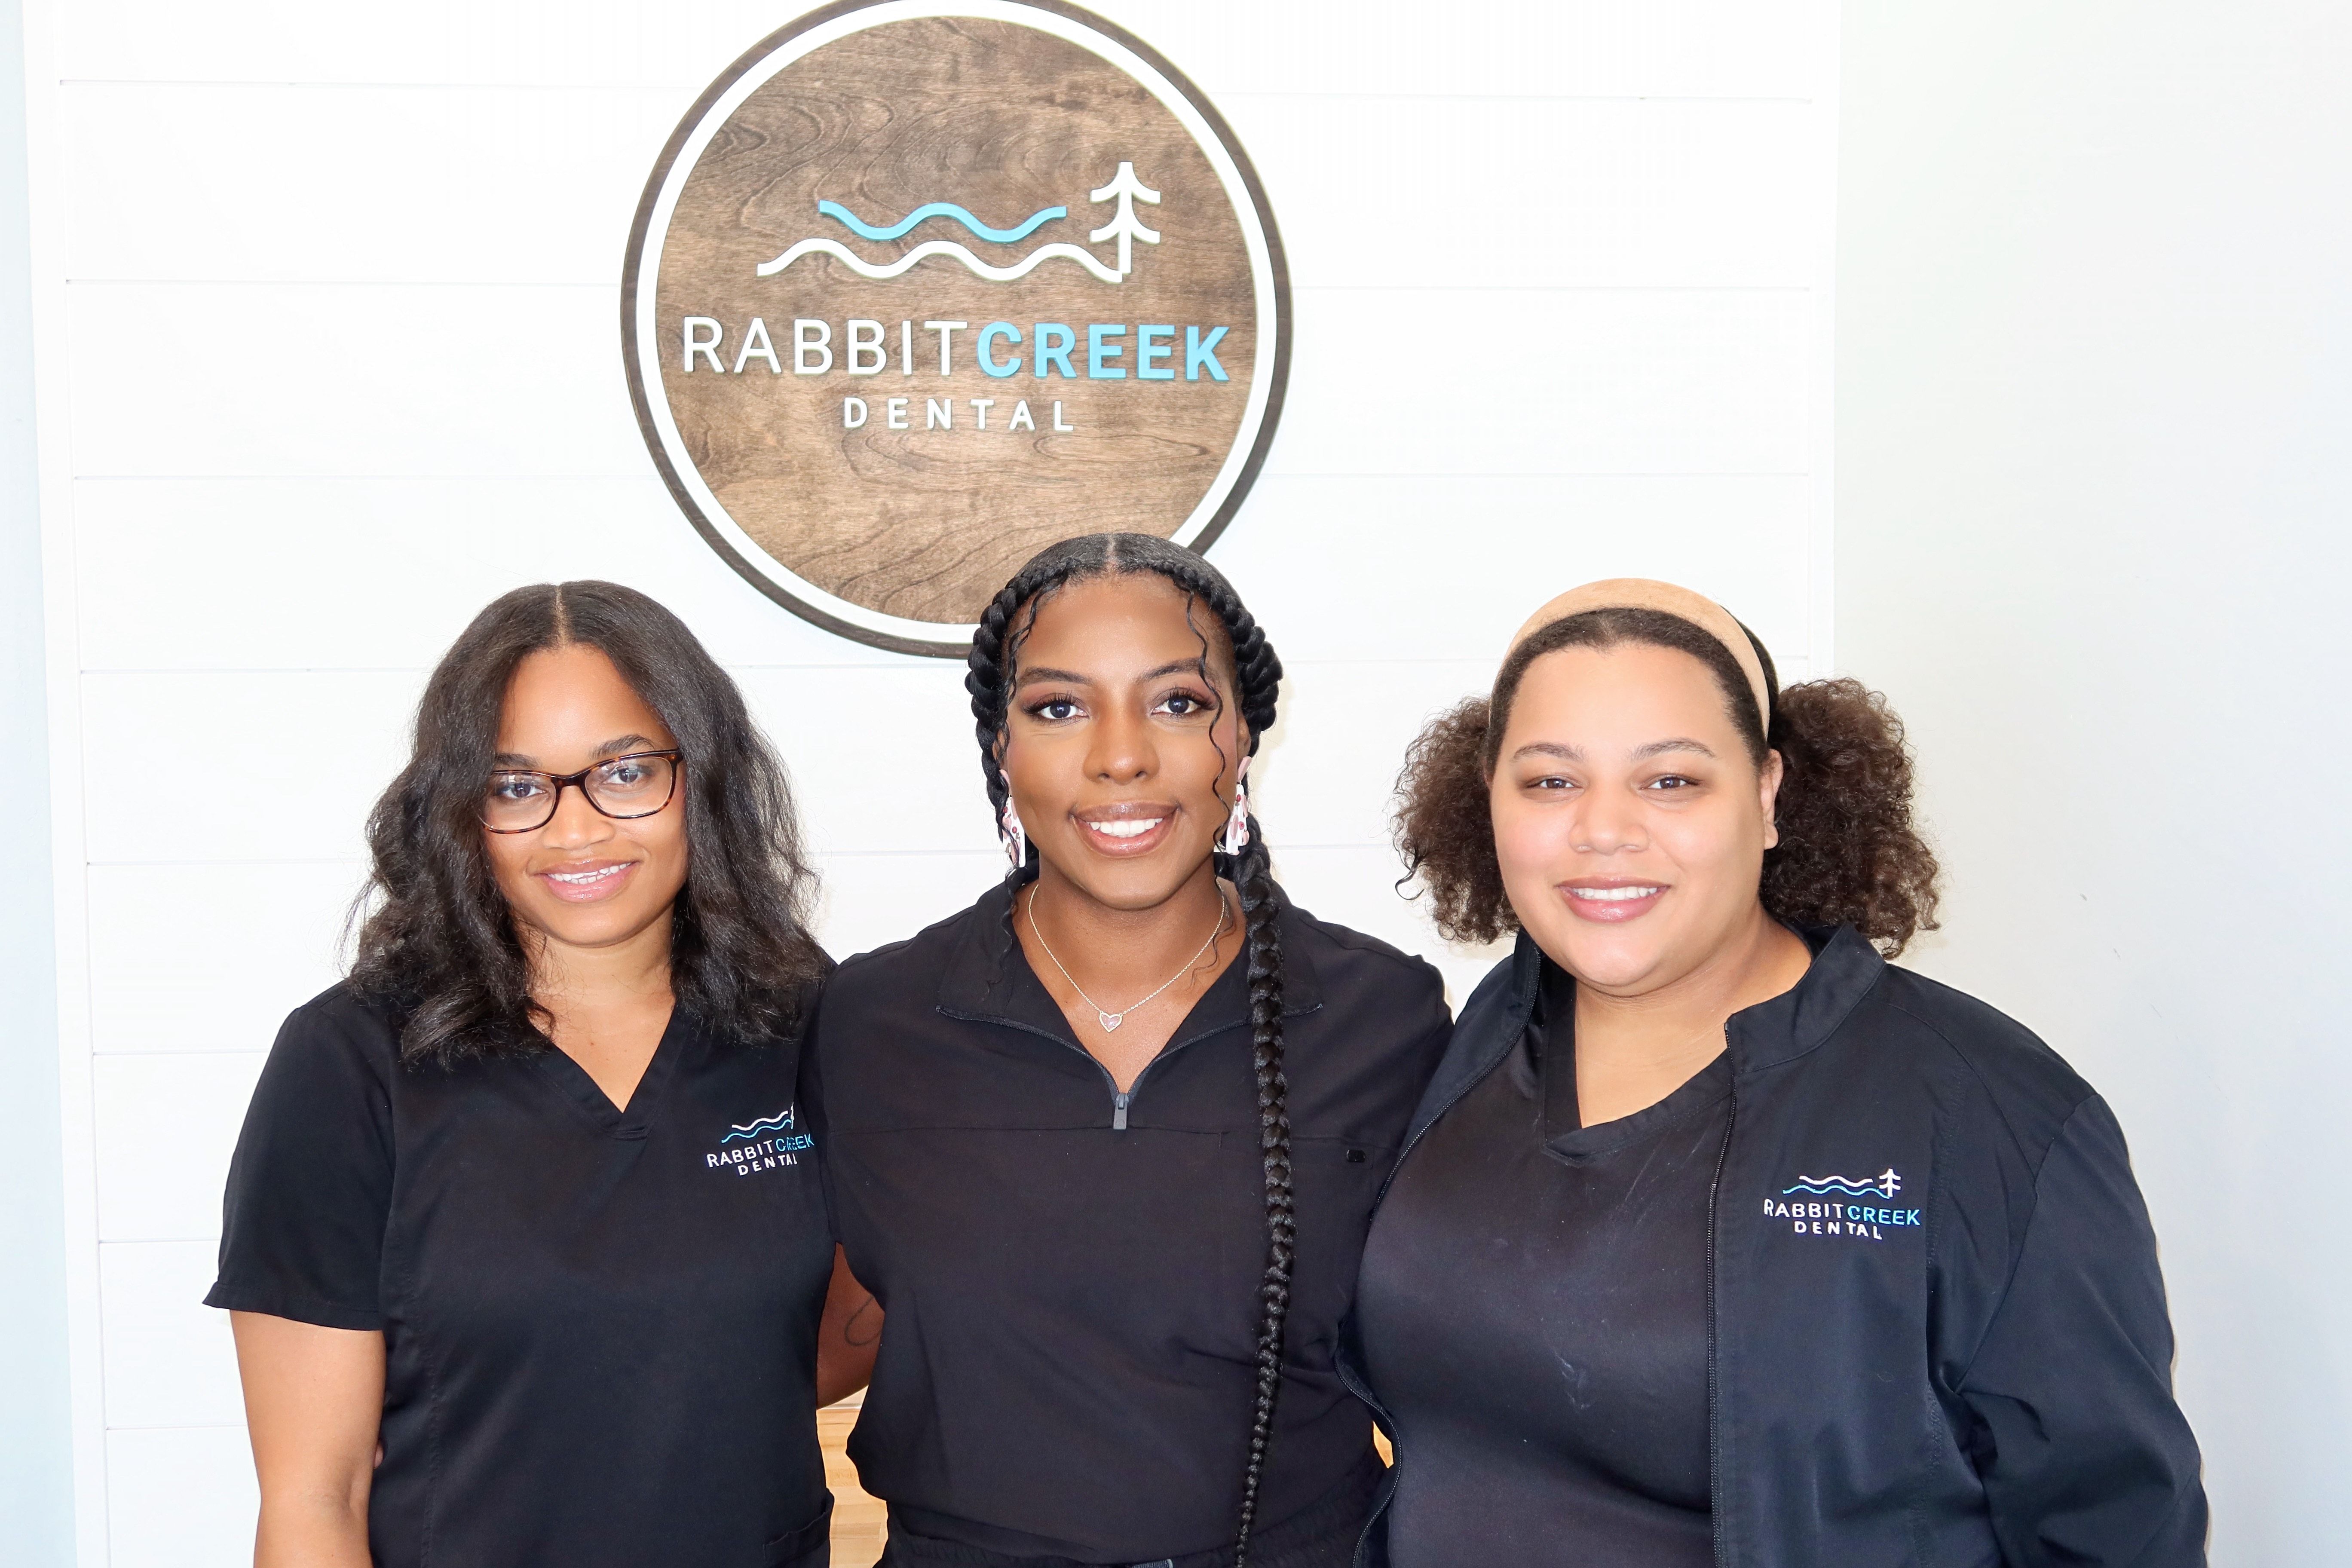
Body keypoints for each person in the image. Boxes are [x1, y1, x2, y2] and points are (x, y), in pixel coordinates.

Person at [1347, 579, 2206, 1567]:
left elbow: (2113, 1529)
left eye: (1671, 780)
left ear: (1766, 795)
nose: (1604, 829)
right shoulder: (1478, 1038)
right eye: (1550, 781)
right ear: (1487, 797)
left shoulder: (1992, 1113)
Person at [806, 535, 1452, 1568]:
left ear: (1240, 740)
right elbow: (814, 1322)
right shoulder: (870, 1020)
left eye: (1178, 703)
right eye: (1058, 707)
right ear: (999, 749)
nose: (1120, 757)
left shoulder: (1386, 1016)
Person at [206, 581, 865, 1568]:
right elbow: (314, 1502)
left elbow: (800, 1348)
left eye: (627, 772)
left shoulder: (812, 1031)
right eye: (516, 787)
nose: (577, 830)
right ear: (463, 812)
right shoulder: (349, 1065)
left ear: (704, 777)